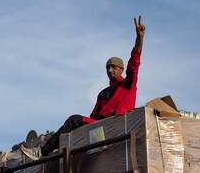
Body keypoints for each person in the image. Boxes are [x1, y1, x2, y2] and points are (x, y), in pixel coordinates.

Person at [41, 16, 147, 155]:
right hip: (100, 130)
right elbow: (93, 118)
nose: (110, 70)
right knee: (76, 126)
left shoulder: (128, 85)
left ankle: (43, 151)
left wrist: (139, 39)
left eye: (113, 67)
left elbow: (134, 64)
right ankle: (58, 151)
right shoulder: (103, 94)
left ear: (121, 69)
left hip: (116, 126)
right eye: (107, 67)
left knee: (74, 120)